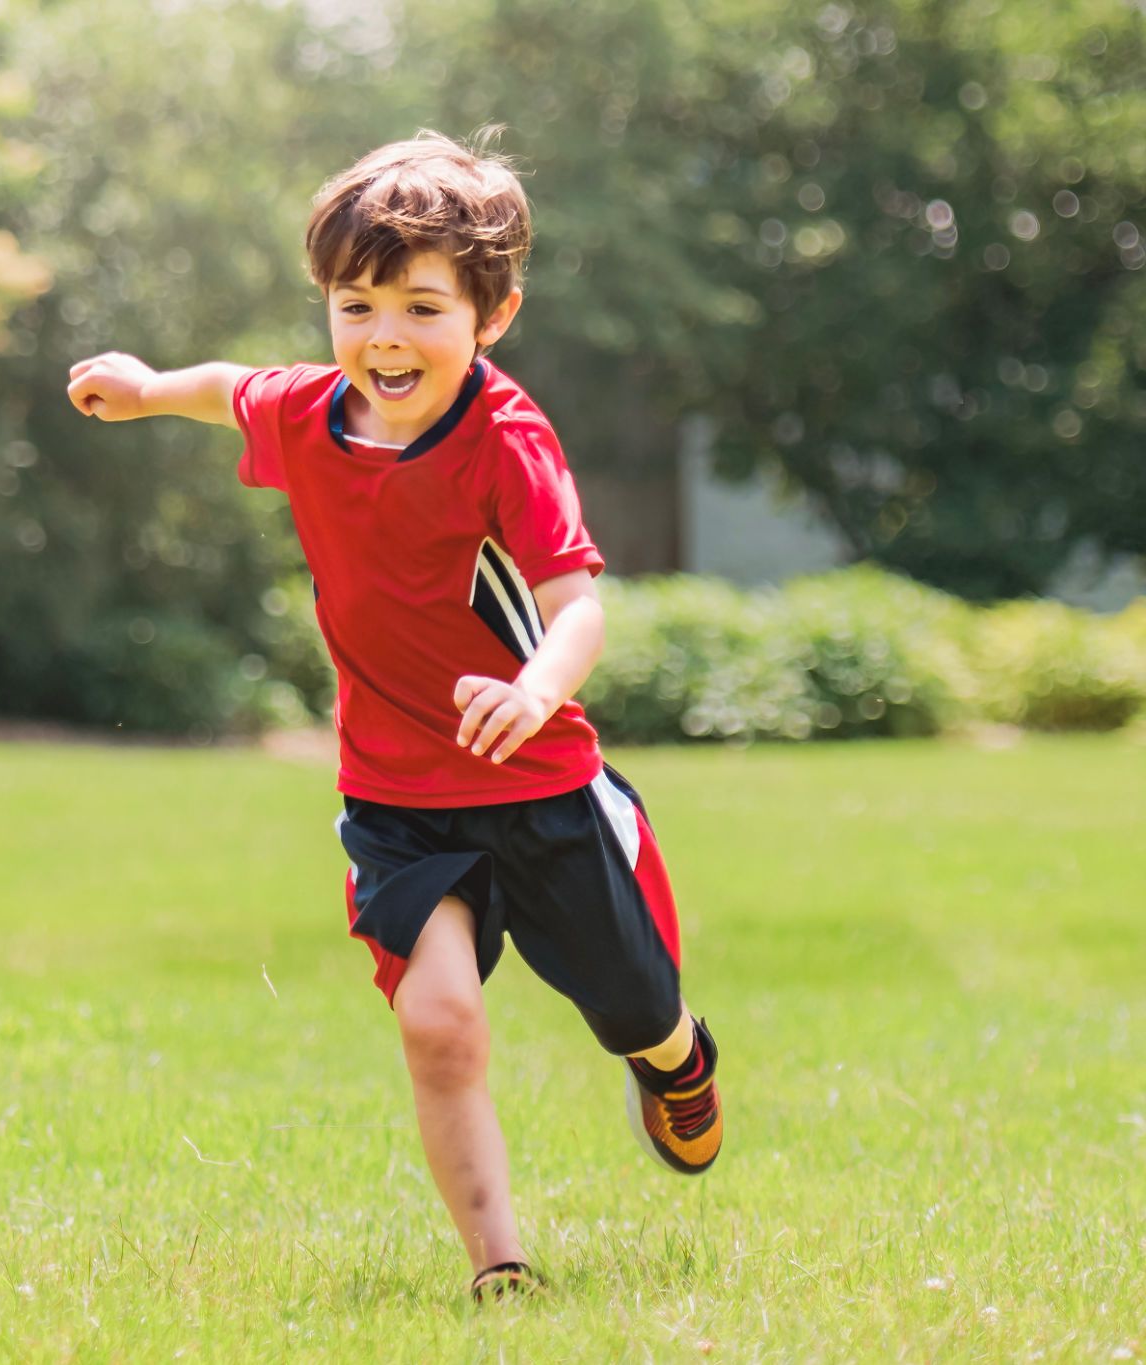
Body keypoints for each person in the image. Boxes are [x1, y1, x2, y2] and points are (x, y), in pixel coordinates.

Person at [64, 130, 722, 1303]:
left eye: (421, 307)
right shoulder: (311, 417)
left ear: (491, 315)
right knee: (438, 1022)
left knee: (635, 1011)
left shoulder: (504, 438)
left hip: (538, 788)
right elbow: (230, 389)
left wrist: (530, 693)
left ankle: (677, 1060)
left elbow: (577, 607)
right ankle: (499, 1266)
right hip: (397, 804)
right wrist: (150, 388)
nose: (382, 337)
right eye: (353, 304)